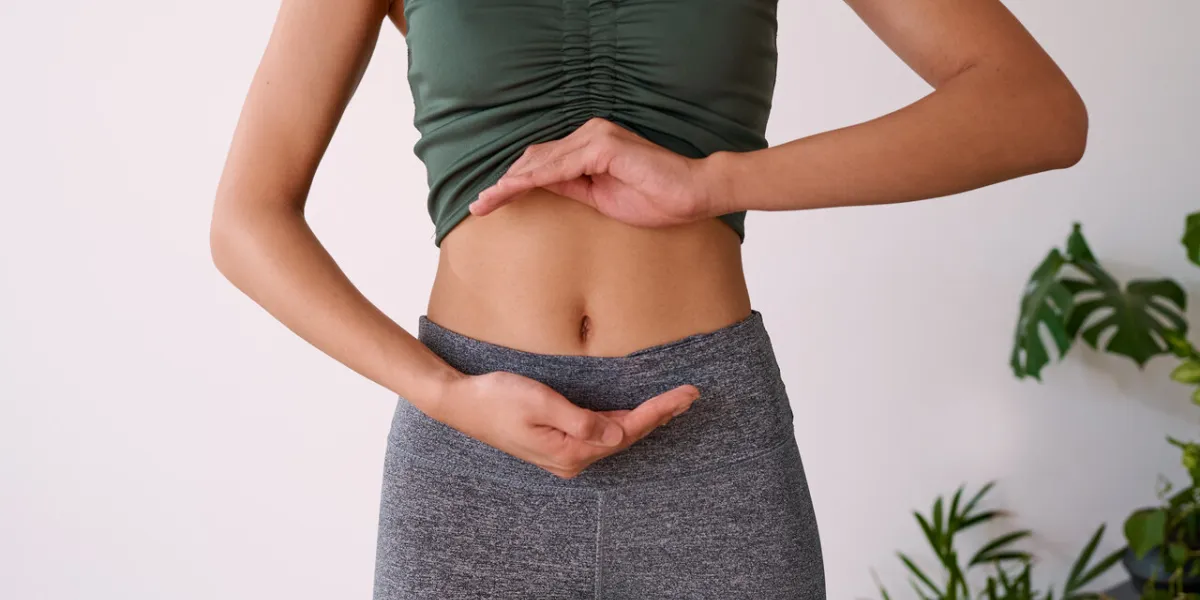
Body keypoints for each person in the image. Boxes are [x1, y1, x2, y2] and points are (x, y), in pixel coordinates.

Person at [209, 0, 1086, 598]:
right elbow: (246, 218)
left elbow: (1037, 110)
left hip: (710, 434)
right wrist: (444, 395)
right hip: (471, 455)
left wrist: (718, 182)